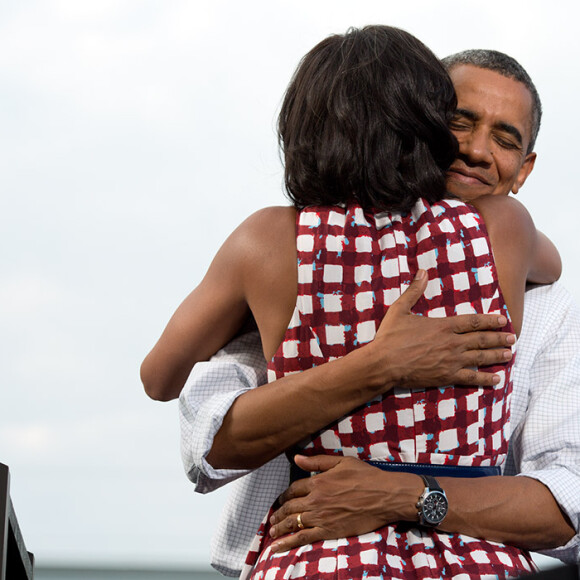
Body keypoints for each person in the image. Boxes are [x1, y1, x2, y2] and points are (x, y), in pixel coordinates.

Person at [141, 27, 562, 578]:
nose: (475, 150)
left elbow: (159, 378)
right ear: (426, 129)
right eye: (458, 123)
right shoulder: (505, 227)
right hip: (474, 558)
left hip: (317, 552)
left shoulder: (268, 242)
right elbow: (552, 266)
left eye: (503, 139)